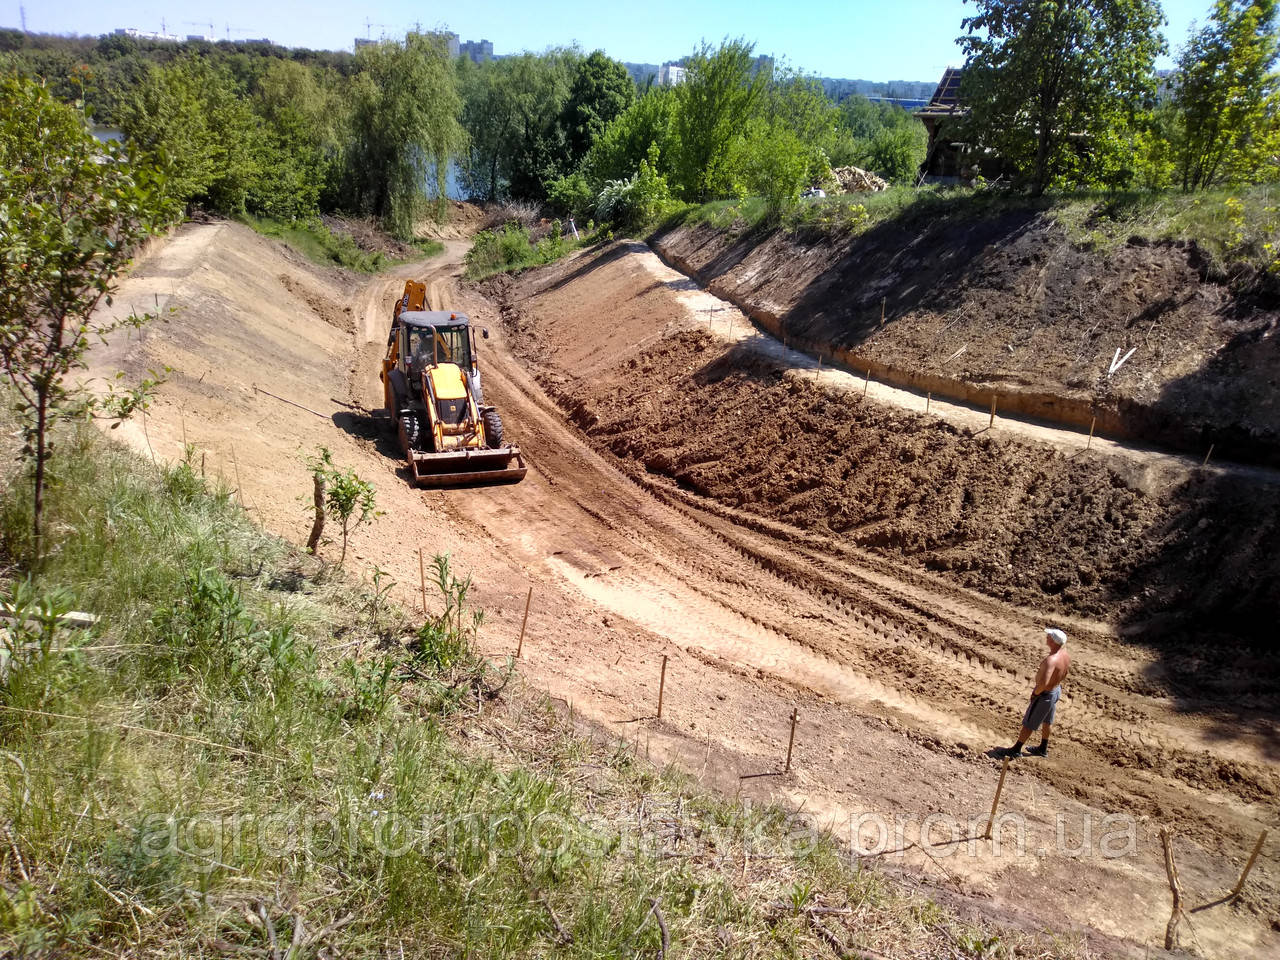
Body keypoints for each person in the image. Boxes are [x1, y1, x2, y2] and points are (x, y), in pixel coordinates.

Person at [1003, 627, 1071, 758]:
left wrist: (1036, 693)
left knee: (1029, 722)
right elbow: (1066, 672)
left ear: (1053, 641)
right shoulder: (1065, 655)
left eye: (1049, 637)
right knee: (1047, 721)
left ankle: (1016, 749)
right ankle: (1043, 748)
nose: (1047, 638)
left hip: (1045, 694)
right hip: (1055, 691)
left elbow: (1043, 683)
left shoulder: (1051, 660)